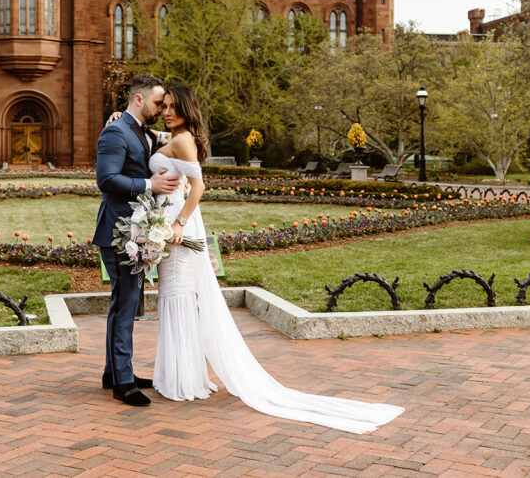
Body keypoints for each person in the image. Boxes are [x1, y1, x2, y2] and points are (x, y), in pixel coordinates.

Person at [149, 85, 404, 434]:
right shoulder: (178, 136)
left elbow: (199, 187)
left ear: (187, 109)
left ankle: (181, 380)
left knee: (177, 296)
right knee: (174, 296)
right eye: (164, 106)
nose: (167, 111)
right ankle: (178, 376)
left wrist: (177, 223)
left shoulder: (182, 140)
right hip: (171, 222)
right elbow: (164, 147)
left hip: (180, 227)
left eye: (173, 107)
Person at [94, 74, 180, 407]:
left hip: (135, 229)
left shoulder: (140, 131)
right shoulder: (116, 132)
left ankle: (114, 372)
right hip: (119, 232)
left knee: (124, 303)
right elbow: (106, 179)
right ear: (140, 99)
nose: (162, 108)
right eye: (159, 102)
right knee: (127, 305)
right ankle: (123, 382)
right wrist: (149, 185)